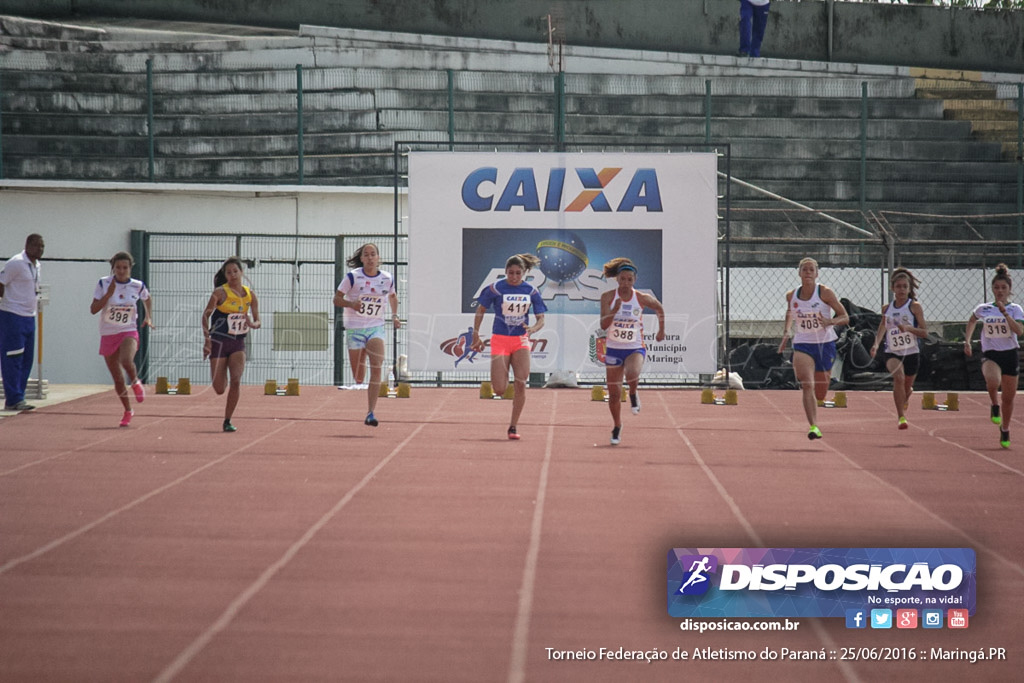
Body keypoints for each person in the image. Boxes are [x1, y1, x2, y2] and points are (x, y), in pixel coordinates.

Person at [471, 253, 547, 440]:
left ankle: (513, 426)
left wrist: (533, 329)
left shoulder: (531, 291)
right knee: (499, 389)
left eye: (517, 273)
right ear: (505, 272)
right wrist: (475, 333)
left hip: (520, 340)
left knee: (521, 383)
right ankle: (506, 380)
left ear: (524, 273)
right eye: (511, 273)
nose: (514, 277)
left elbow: (541, 319)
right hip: (500, 339)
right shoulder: (495, 289)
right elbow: (480, 309)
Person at [777, 257, 849, 440]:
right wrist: (786, 332)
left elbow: (845, 317)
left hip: (825, 344)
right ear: (799, 273)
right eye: (804, 269)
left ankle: (819, 402)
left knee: (820, 391)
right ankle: (814, 426)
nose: (808, 273)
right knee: (807, 384)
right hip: (803, 344)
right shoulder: (791, 295)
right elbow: (790, 312)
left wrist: (830, 321)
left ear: (816, 273)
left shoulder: (825, 293)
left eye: (811, 270)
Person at [599, 258, 665, 446]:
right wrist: (615, 310)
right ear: (617, 279)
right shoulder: (607, 297)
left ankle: (634, 393)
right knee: (613, 393)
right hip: (613, 348)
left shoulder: (641, 298)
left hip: (634, 347)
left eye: (629, 279)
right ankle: (617, 425)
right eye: (622, 279)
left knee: (632, 373)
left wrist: (661, 330)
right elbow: (603, 324)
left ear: (634, 280)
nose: (625, 283)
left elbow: (659, 308)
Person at [333, 243, 400, 427]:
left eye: (373, 254)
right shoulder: (352, 278)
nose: (370, 258)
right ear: (361, 259)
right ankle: (361, 353)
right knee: (359, 376)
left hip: (375, 327)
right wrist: (352, 304)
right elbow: (336, 299)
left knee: (377, 366)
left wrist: (394, 316)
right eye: (366, 255)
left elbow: (393, 298)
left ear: (378, 258)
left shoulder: (387, 278)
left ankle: (371, 412)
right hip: (355, 329)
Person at [90, 251, 154, 427]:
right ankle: (127, 410)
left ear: (130, 268)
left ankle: (135, 382)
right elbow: (93, 309)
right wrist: (108, 295)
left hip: (128, 330)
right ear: (113, 268)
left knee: (127, 360)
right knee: (117, 378)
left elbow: (147, 299)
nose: (121, 271)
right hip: (108, 333)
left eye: (125, 267)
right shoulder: (104, 283)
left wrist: (148, 316)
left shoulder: (137, 285)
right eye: (118, 267)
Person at [964, 264, 1024, 449]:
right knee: (992, 381)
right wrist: (967, 340)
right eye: (996, 288)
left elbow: (1019, 331)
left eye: (1003, 288)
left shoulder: (1015, 309)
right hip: (990, 354)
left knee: (1009, 397)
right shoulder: (984, 308)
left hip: (1009, 354)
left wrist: (1005, 312)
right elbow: (972, 319)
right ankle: (993, 403)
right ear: (992, 289)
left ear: (1009, 290)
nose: (999, 291)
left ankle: (1005, 429)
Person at [201, 257, 261, 432]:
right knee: (219, 388)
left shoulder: (250, 294)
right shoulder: (220, 293)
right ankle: (221, 375)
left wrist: (252, 324)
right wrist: (207, 340)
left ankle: (227, 420)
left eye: (235, 271)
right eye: (229, 272)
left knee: (236, 380)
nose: (233, 275)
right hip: (219, 342)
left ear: (241, 272)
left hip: (238, 343)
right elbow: (205, 316)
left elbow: (258, 321)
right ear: (225, 275)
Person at [869, 268, 927, 430]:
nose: (901, 290)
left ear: (909, 289)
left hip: (911, 353)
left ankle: (906, 396)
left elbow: (924, 332)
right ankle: (901, 416)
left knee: (906, 387)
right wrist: (876, 344)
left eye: (904, 287)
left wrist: (908, 329)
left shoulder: (914, 307)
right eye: (898, 286)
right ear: (892, 288)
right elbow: (883, 326)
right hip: (892, 352)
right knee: (899, 378)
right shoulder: (887, 309)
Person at [0, 234, 45, 411]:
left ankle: (20, 395)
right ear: (28, 245)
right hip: (12, 315)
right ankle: (13, 398)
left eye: (43, 246)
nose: (41, 249)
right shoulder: (16, 263)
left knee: (27, 359)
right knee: (13, 356)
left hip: (29, 316)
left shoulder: (37, 265)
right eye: (37, 246)